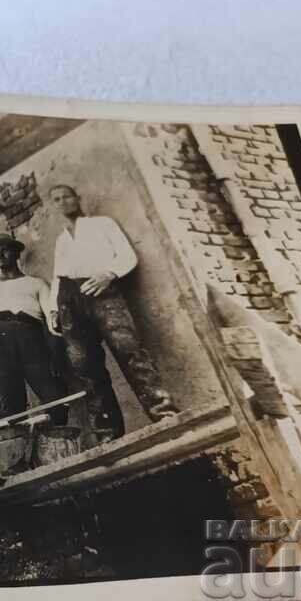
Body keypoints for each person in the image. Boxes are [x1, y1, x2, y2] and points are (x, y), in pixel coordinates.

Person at [47, 184, 179, 439]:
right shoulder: (61, 240)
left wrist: (109, 274)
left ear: (77, 198)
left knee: (130, 351)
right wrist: (54, 309)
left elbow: (128, 256)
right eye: (56, 199)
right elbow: (57, 276)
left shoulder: (102, 224)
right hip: (69, 300)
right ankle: (107, 432)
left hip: (103, 293)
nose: (62, 202)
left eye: (66, 196)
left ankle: (165, 413)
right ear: (53, 206)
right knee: (85, 367)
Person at [0, 233, 68, 424]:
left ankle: (58, 437)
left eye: (4, 249)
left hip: (30, 335)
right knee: (9, 399)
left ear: (17, 253)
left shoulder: (36, 283)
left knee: (52, 394)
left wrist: (55, 349)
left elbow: (51, 317)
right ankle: (21, 447)